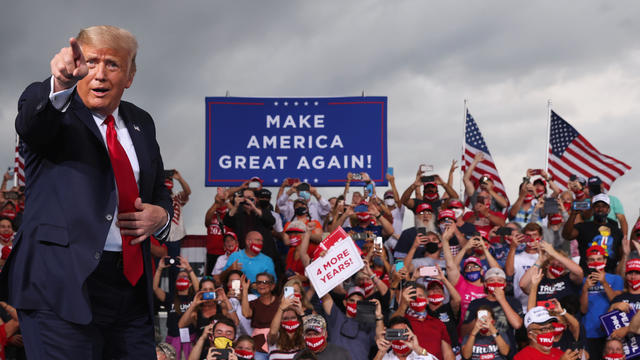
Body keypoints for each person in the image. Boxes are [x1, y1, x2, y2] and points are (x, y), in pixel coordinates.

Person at [1, 25, 173, 358]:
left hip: (130, 290)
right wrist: (60, 83)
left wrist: (161, 215)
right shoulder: (53, 106)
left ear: (129, 76)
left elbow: (158, 189)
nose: (100, 74)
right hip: (58, 285)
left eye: (113, 65)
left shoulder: (142, 122)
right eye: (91, 62)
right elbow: (31, 125)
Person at [153, 256, 200, 359]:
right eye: (179, 277)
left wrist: (189, 268)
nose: (181, 278)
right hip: (173, 340)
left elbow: (199, 289)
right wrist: (160, 268)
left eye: (185, 277)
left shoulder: (194, 298)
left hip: (190, 341)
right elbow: (155, 288)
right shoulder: (170, 297)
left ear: (191, 283)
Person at [514, 306, 580, 360]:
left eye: (551, 327)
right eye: (544, 329)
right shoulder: (521, 357)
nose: (549, 331)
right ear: (530, 334)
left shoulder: (560, 353)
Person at [164, 169, 191, 295]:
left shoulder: (176, 196)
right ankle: (154, 300)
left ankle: (173, 298)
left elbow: (188, 192)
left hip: (175, 238)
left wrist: (179, 178)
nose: (168, 183)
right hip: (159, 239)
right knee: (157, 268)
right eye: (166, 180)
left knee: (174, 270)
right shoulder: (156, 197)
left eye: (170, 180)